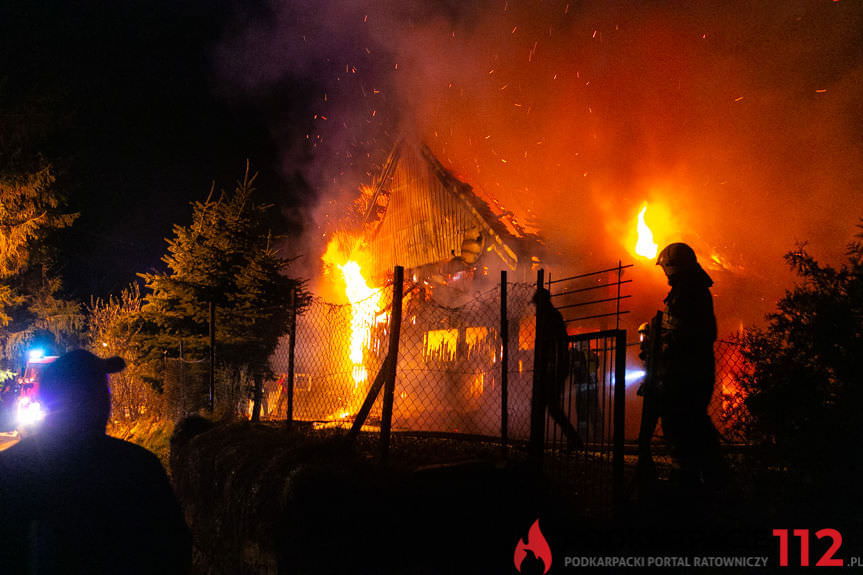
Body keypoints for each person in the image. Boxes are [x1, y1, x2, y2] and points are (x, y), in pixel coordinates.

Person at [0, 350, 191, 574]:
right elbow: (172, 549)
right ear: (97, 400)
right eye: (102, 390)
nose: (107, 398)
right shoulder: (135, 466)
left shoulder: (13, 466)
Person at [654, 242, 725, 488]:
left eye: (666, 267)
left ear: (675, 266)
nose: (664, 273)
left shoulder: (688, 291)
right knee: (692, 422)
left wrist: (663, 345)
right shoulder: (690, 288)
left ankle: (688, 481)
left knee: (682, 424)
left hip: (685, 372)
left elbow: (685, 332)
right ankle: (706, 478)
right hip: (689, 369)